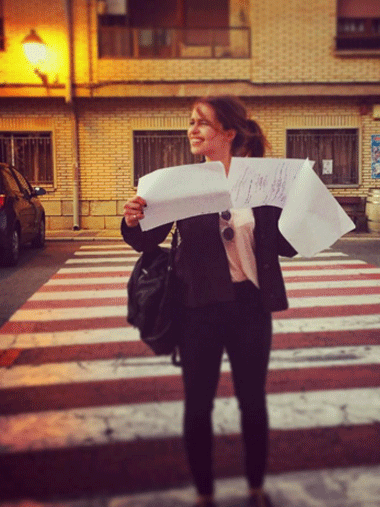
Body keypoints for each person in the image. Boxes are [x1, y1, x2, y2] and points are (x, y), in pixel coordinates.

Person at [122, 95, 297, 507]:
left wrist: (300, 211)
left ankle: (256, 489)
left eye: (201, 122)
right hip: (197, 309)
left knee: (252, 401)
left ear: (229, 133)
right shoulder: (179, 182)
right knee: (198, 405)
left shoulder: (260, 182)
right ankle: (204, 494)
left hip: (251, 308)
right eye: (191, 122)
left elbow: (285, 245)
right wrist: (132, 219)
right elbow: (146, 239)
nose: (192, 130)